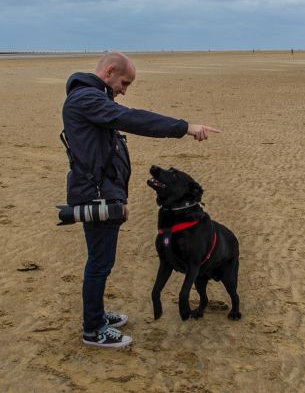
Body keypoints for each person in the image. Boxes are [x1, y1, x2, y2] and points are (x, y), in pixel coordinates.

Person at [61, 52, 219, 348]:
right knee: (99, 263)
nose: (124, 90)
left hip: (103, 191)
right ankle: (93, 330)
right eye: (124, 82)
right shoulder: (86, 99)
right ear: (109, 71)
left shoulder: (94, 98)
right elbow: (131, 118)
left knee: (102, 262)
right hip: (96, 195)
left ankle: (97, 315)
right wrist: (184, 127)